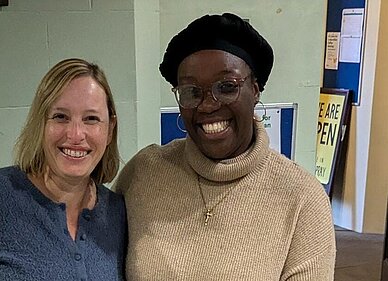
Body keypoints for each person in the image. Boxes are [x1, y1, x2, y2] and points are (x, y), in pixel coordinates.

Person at [114, 13, 335, 280]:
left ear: (255, 90)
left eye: (227, 87)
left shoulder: (302, 199)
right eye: (191, 91)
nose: (208, 105)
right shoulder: (144, 173)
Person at [0, 58, 127, 281]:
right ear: (41, 123)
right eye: (60, 117)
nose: (75, 135)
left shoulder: (118, 214)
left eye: (91, 119)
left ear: (110, 130)